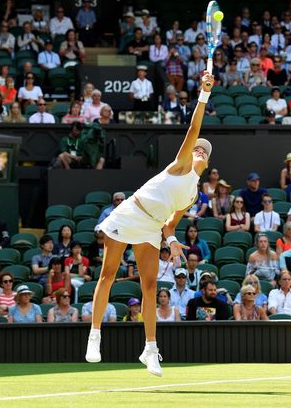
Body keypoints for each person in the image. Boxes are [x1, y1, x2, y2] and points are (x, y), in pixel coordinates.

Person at [85, 73, 214, 376]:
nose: (198, 151)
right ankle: (94, 335)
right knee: (107, 276)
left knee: (151, 285)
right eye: (197, 148)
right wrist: (203, 95)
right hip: (130, 213)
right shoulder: (180, 165)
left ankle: (150, 349)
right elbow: (194, 128)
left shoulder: (191, 195)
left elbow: (170, 225)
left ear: (206, 164)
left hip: (151, 228)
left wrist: (171, 241)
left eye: (203, 152)